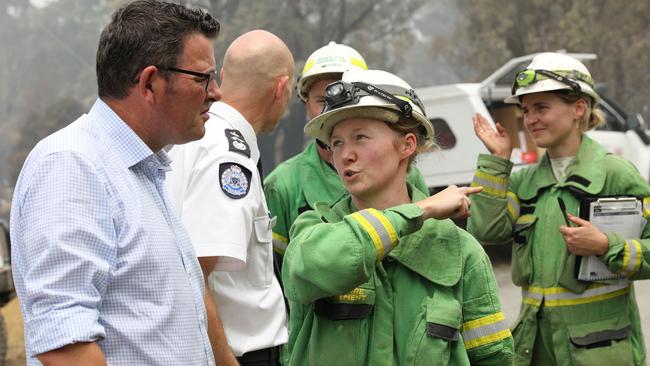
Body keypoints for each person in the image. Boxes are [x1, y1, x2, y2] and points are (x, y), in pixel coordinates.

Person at [10, 1, 220, 365]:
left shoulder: (138, 170)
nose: (216, 92)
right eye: (202, 78)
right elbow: (64, 346)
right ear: (151, 82)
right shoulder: (72, 166)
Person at [282, 69, 514, 365]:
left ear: (407, 145)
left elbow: (493, 357)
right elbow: (311, 268)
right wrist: (421, 211)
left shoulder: (461, 251)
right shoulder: (315, 229)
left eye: (360, 138)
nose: (345, 155)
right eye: (337, 142)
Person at [468, 52, 650, 365]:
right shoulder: (523, 181)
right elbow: (486, 231)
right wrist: (498, 162)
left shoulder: (616, 175)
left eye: (541, 107)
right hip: (536, 350)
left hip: (599, 353)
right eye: (526, 110)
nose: (530, 119)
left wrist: (607, 246)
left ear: (579, 108)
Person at [165, 30, 294, 366]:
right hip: (235, 354)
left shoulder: (195, 139)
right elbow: (194, 275)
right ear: (281, 88)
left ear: (223, 77)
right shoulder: (229, 157)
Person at [264, 42, 430, 261]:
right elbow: (278, 272)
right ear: (306, 106)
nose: (334, 109)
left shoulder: (407, 174)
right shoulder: (282, 185)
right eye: (322, 100)